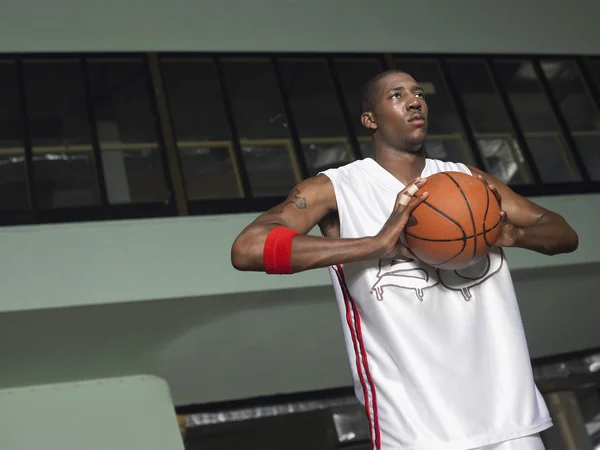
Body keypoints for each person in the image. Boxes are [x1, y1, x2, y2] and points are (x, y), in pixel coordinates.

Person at [230, 70, 578, 450]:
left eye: (418, 94)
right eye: (396, 95)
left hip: (509, 416)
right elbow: (248, 249)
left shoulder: (468, 181)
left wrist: (516, 235)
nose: (415, 101)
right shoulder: (338, 188)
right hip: (414, 427)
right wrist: (376, 244)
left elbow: (563, 233)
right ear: (370, 120)